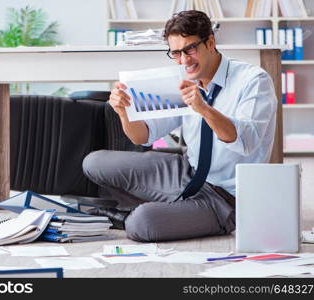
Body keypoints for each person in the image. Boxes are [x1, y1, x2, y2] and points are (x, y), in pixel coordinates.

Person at [82, 10, 277, 242]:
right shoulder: (182, 80)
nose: (184, 61)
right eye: (176, 53)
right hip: (187, 173)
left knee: (141, 224)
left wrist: (204, 108)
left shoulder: (254, 80)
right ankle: (174, 210)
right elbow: (142, 137)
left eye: (190, 49)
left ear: (211, 42)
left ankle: (144, 214)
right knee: (94, 162)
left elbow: (247, 142)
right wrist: (124, 113)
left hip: (225, 198)